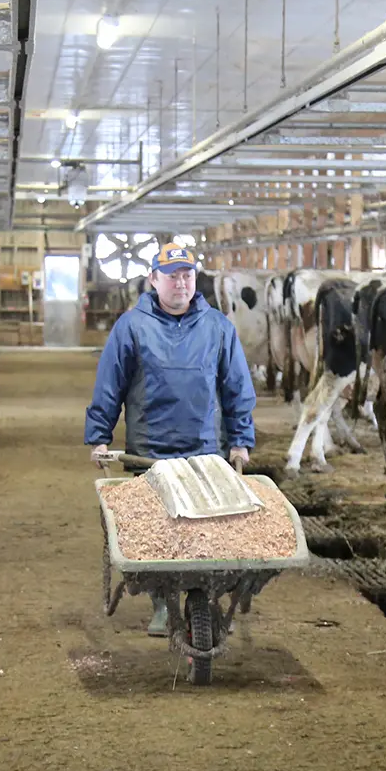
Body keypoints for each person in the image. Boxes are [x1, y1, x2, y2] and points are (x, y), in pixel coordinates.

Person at [85, 242, 257, 635]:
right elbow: (110, 385)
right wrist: (99, 435)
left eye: (188, 275)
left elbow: (236, 388)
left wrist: (240, 439)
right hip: (150, 448)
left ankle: (204, 598)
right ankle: (162, 604)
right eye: (172, 276)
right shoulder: (131, 326)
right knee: (158, 531)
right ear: (154, 280)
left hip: (204, 448)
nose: (181, 283)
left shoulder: (217, 327)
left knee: (206, 529)